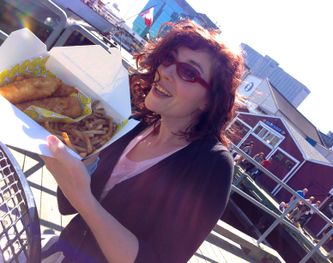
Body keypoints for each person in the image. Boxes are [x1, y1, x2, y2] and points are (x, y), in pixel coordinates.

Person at [40, 19, 244, 263]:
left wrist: (84, 198)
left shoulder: (212, 165)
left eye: (188, 72)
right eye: (168, 59)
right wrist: (72, 165)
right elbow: (68, 204)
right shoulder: (134, 124)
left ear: (209, 101)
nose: (165, 72)